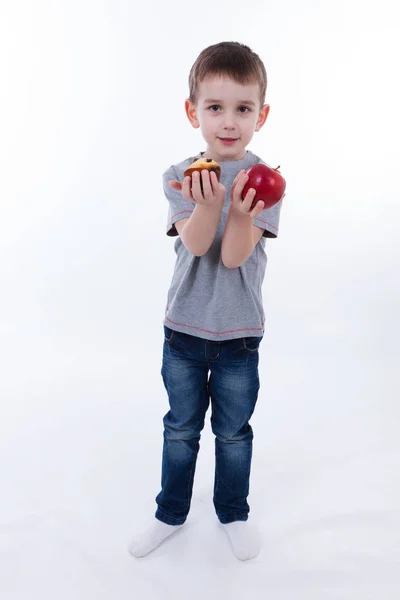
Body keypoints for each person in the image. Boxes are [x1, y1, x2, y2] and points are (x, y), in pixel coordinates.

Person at [129, 41, 284, 561]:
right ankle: (169, 512)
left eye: (243, 108)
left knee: (234, 434)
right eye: (215, 107)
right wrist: (209, 205)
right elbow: (195, 245)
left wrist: (237, 212)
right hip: (185, 331)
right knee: (180, 428)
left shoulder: (267, 182)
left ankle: (232, 512)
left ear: (261, 115)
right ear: (193, 111)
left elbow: (237, 256)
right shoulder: (180, 174)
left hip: (239, 335)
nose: (228, 121)